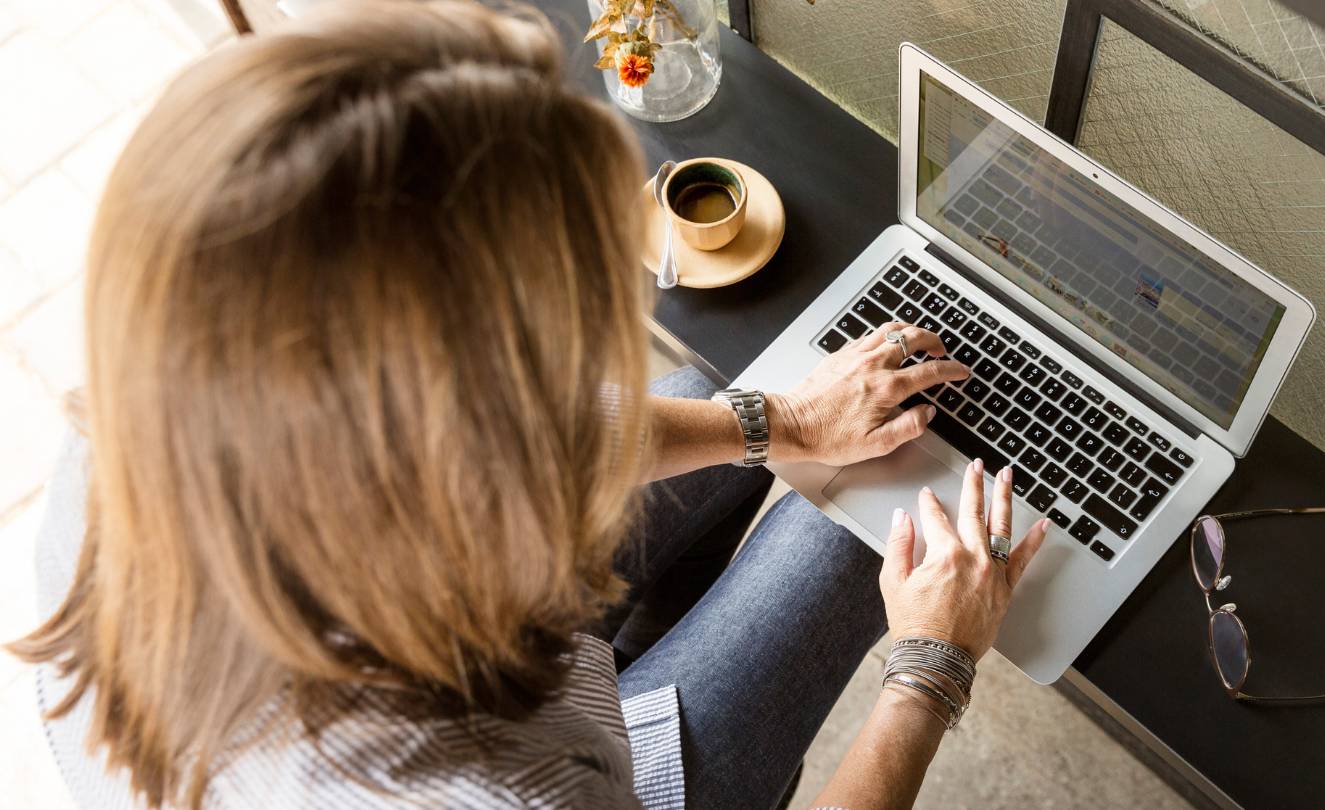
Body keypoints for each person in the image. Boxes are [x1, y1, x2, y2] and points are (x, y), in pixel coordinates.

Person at [8, 2, 1049, 809]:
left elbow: (548, 431)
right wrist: (930, 672)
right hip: (591, 777)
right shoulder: (477, 795)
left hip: (476, 664)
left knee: (729, 406)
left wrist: (777, 420)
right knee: (867, 534)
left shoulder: (150, 397)